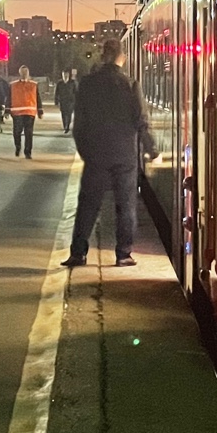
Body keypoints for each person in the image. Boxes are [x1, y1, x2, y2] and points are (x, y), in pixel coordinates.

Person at [63, 42, 154, 268]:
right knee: (126, 206)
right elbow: (141, 120)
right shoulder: (130, 84)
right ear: (121, 57)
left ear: (103, 57)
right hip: (124, 156)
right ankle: (123, 254)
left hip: (96, 156)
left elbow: (79, 125)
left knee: (88, 205)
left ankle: (78, 253)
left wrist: (86, 152)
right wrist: (152, 149)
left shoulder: (87, 84)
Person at [9, 65, 42, 158]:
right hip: (17, 113)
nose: (24, 74)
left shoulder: (34, 84)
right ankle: (18, 146)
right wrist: (7, 110)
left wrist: (40, 111)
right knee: (17, 132)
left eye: (26, 72)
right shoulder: (13, 85)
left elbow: (38, 97)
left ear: (28, 73)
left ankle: (28, 152)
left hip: (29, 112)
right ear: (19, 73)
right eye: (22, 72)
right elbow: (9, 97)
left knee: (29, 133)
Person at [55, 68, 77, 134]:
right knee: (63, 114)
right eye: (64, 74)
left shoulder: (72, 82)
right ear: (62, 75)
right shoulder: (59, 83)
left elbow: (75, 92)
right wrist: (56, 101)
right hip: (62, 101)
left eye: (66, 74)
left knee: (69, 114)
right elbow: (57, 92)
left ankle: (67, 127)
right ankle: (65, 125)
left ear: (68, 75)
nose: (65, 76)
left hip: (70, 102)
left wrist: (75, 100)